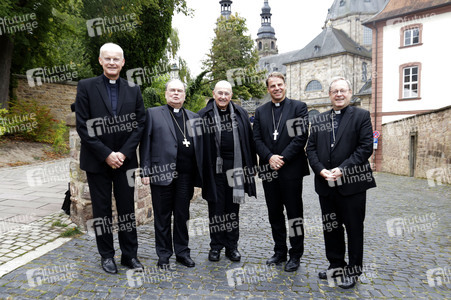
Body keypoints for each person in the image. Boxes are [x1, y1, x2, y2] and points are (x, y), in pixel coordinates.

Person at [75, 43, 145, 274]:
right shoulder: (86, 86)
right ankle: (107, 256)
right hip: (97, 161)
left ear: (123, 62)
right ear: (100, 61)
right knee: (102, 210)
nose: (112, 62)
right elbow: (83, 126)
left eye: (117, 59)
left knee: (127, 210)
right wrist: (106, 154)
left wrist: (123, 153)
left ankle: (129, 255)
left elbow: (139, 124)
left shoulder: (134, 89)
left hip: (125, 162)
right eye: (108, 59)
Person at [306, 77, 376, 289]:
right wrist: (320, 170)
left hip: (352, 184)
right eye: (335, 91)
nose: (338, 94)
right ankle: (335, 265)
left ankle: (353, 272)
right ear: (329, 95)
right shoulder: (318, 119)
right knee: (331, 228)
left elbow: (365, 148)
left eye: (342, 91)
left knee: (354, 228)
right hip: (326, 184)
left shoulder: (361, 116)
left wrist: (343, 169)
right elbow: (311, 149)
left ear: (350, 92)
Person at [140, 79, 203, 269]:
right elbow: (145, 143)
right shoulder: (152, 114)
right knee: (162, 216)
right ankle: (164, 255)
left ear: (185, 95)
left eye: (180, 91)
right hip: (161, 173)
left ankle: (183, 253)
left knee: (182, 216)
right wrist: (145, 170)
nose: (176, 94)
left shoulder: (193, 118)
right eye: (172, 90)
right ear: (166, 94)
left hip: (186, 176)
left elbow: (200, 147)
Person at [253, 72, 310, 272]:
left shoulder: (298, 108)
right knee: (274, 213)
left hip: (291, 170)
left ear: (285, 85)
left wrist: (282, 158)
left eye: (279, 84)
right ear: (268, 89)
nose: (276, 88)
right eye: (272, 86)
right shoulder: (260, 112)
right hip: (269, 170)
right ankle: (279, 251)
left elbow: (300, 137)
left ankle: (295, 254)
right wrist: (270, 157)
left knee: (294, 214)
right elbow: (256, 139)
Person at [198, 80, 257, 262]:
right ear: (214, 94)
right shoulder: (203, 115)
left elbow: (249, 141)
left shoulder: (241, 113)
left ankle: (232, 247)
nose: (223, 96)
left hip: (236, 168)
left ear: (231, 96)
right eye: (220, 93)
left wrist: (251, 167)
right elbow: (198, 146)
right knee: (215, 210)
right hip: (214, 170)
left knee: (232, 210)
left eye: (227, 93)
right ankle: (215, 247)